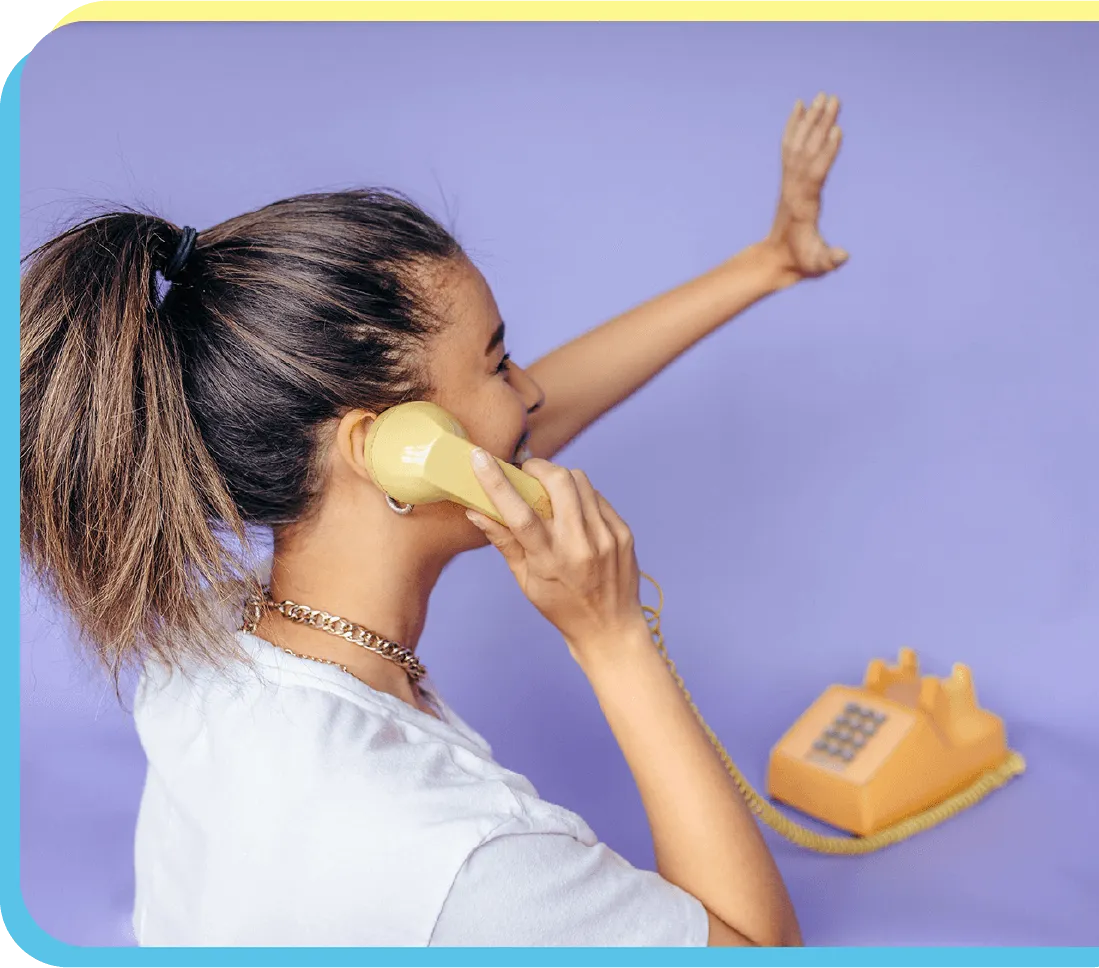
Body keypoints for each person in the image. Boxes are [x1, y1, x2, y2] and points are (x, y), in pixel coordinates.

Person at [19, 94, 848, 947]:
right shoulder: (467, 858)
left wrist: (766, 263)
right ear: (391, 451)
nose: (528, 392)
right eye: (497, 362)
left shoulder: (197, 644)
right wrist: (613, 641)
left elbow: (512, 429)